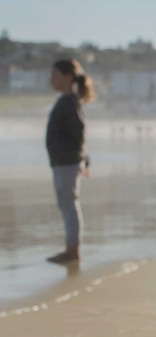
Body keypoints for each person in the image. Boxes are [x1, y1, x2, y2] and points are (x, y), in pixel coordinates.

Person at [45, 58, 94, 264]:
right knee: (66, 205)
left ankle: (73, 251)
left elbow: (79, 132)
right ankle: (70, 248)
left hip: (67, 162)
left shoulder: (69, 102)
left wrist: (82, 159)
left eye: (55, 75)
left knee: (69, 206)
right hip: (62, 162)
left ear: (67, 77)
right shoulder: (66, 100)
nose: (51, 80)